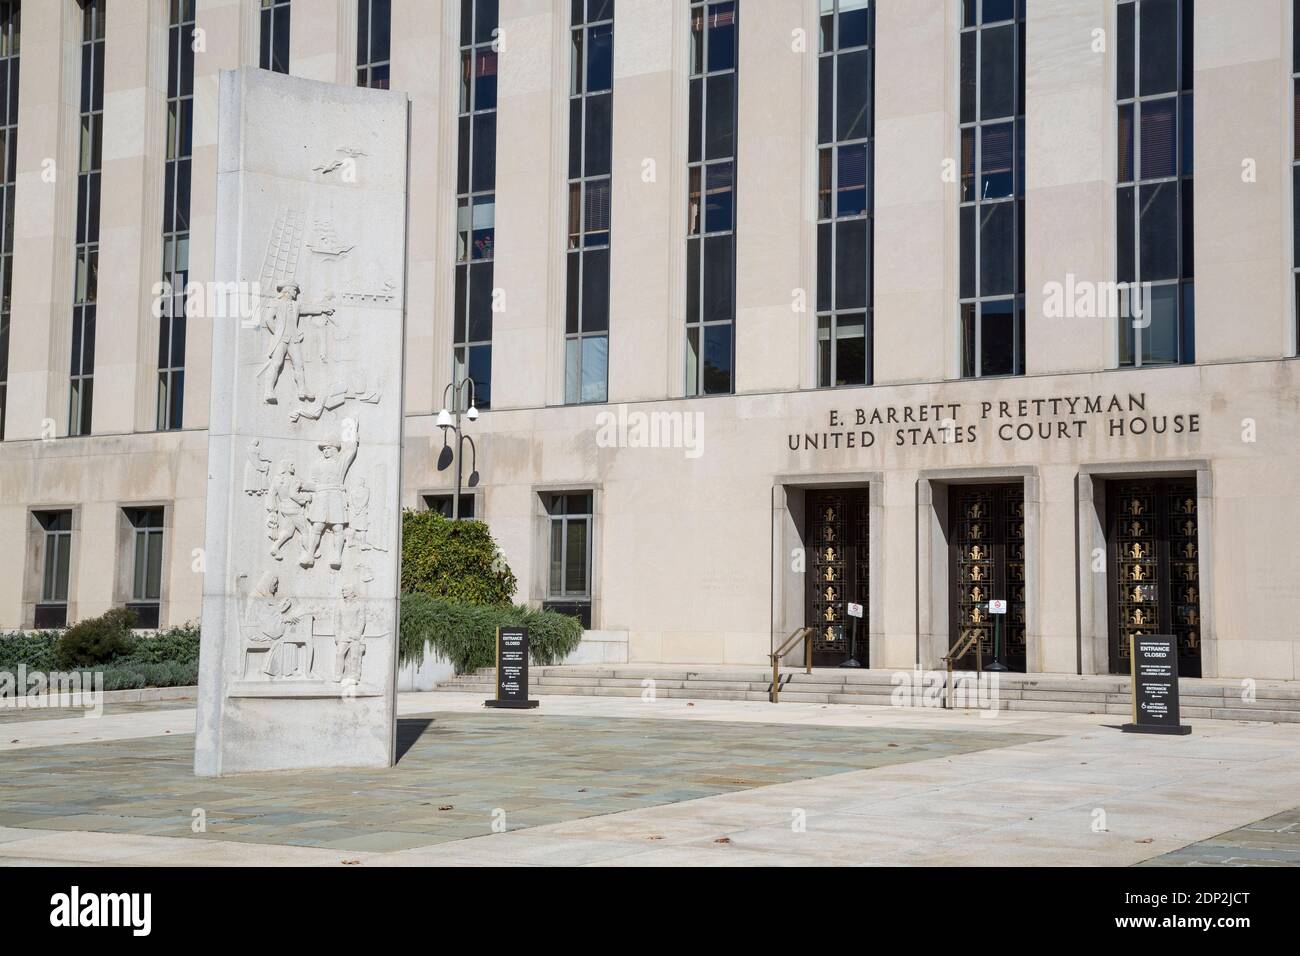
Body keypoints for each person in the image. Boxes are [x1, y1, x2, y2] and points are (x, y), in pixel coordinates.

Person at [260, 282, 335, 405]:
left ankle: (302, 389)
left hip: (294, 339)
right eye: (294, 290)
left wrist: (323, 309)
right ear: (288, 290)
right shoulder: (275, 303)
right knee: (276, 364)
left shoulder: (296, 305)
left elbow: (308, 308)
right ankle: (269, 391)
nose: (296, 292)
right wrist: (278, 333)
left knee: (299, 365)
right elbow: (268, 319)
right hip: (281, 339)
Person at [302, 420, 359, 569]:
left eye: (328, 448)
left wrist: (351, 427)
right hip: (321, 496)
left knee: (338, 528)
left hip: (335, 496)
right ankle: (309, 554)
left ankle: (337, 556)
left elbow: (351, 450)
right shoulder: (317, 464)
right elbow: (313, 483)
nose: (325, 451)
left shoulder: (341, 461)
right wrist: (304, 486)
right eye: (323, 448)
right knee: (317, 526)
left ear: (335, 448)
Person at [268, 460, 311, 564]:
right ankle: (308, 553)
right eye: (291, 465)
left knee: (288, 532)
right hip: (294, 509)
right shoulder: (294, 479)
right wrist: (305, 497)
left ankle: (275, 547)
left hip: (284, 508)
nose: (293, 467)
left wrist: (273, 510)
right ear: (286, 467)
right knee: (305, 531)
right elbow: (294, 495)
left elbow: (271, 494)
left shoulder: (277, 480)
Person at [332, 583, 366, 684]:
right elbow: (336, 621)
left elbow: (361, 621)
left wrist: (358, 633)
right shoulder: (339, 604)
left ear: (352, 592)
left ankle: (353, 677)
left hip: (355, 635)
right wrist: (337, 635)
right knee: (339, 654)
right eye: (343, 590)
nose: (343, 592)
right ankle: (338, 675)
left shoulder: (359, 605)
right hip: (343, 635)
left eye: (345, 590)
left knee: (354, 657)